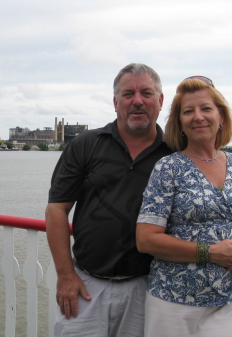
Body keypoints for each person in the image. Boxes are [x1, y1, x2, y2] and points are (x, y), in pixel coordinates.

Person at [136, 76, 232, 337]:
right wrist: (209, 252)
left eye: (206, 108)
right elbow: (146, 239)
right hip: (174, 300)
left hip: (231, 299)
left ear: (221, 116)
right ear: (179, 123)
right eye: (188, 112)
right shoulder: (168, 168)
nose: (198, 117)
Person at [45, 63, 172, 337]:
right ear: (115, 102)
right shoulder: (85, 145)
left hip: (148, 288)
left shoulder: (174, 155)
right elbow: (56, 210)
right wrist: (66, 275)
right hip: (85, 284)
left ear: (160, 101)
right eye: (128, 94)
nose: (137, 101)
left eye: (146, 93)